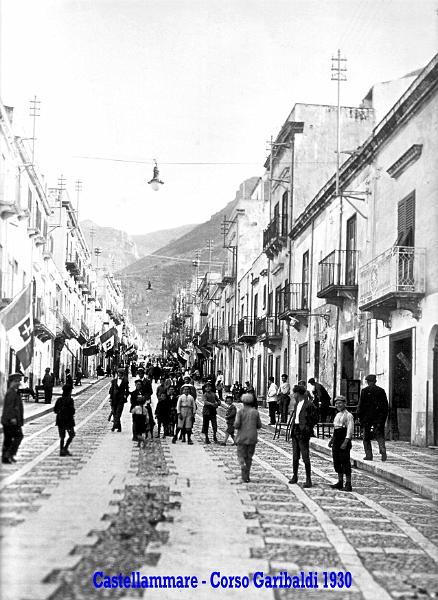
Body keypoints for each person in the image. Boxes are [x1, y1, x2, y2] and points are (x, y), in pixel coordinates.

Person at [288, 384, 318, 488]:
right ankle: (295, 476)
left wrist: (308, 428)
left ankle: (308, 479)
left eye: (294, 393)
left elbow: (315, 418)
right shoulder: (297, 404)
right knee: (295, 456)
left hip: (303, 432)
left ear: (298, 393)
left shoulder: (309, 405)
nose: (293, 395)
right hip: (296, 430)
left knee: (305, 456)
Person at [357, 374, 389, 461]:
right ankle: (382, 449)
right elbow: (385, 406)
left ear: (367, 382)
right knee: (379, 434)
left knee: (366, 437)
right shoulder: (381, 391)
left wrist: (359, 416)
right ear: (375, 381)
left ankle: (369, 455)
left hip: (367, 418)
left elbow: (361, 405)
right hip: (378, 417)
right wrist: (383, 418)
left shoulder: (364, 391)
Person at [234, 392, 262, 483]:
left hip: (242, 437)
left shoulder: (240, 412)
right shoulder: (255, 412)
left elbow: (237, 424)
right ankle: (247, 476)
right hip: (252, 437)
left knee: (241, 455)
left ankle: (242, 468)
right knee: (249, 457)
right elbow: (259, 425)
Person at [328, 396, 354, 491]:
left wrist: (346, 442)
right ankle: (340, 481)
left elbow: (350, 430)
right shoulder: (337, 415)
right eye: (336, 403)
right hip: (337, 439)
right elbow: (335, 429)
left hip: (344, 439)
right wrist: (332, 440)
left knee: (345, 461)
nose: (338, 405)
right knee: (337, 461)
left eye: (340, 403)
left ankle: (348, 483)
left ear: (344, 404)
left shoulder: (349, 415)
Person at [1, 373, 24, 464]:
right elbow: (10, 407)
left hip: (10, 420)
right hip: (10, 421)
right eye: (16, 381)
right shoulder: (11, 393)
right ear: (11, 382)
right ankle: (9, 455)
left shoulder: (14, 392)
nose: (18, 383)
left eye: (19, 381)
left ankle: (6, 457)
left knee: (8, 439)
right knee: (18, 436)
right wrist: (12, 418)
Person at [54, 384, 76, 456]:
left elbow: (55, 410)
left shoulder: (59, 400)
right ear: (69, 392)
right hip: (68, 421)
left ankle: (61, 450)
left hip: (60, 420)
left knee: (62, 437)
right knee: (72, 435)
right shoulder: (70, 400)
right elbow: (72, 411)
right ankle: (65, 448)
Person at [108, 367, 130, 432]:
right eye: (119, 373)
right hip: (114, 399)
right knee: (114, 413)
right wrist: (110, 398)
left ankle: (114, 426)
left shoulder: (125, 381)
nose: (119, 374)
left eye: (121, 373)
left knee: (118, 413)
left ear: (123, 374)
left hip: (121, 399)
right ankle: (119, 427)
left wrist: (125, 396)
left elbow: (127, 391)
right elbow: (111, 390)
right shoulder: (114, 381)